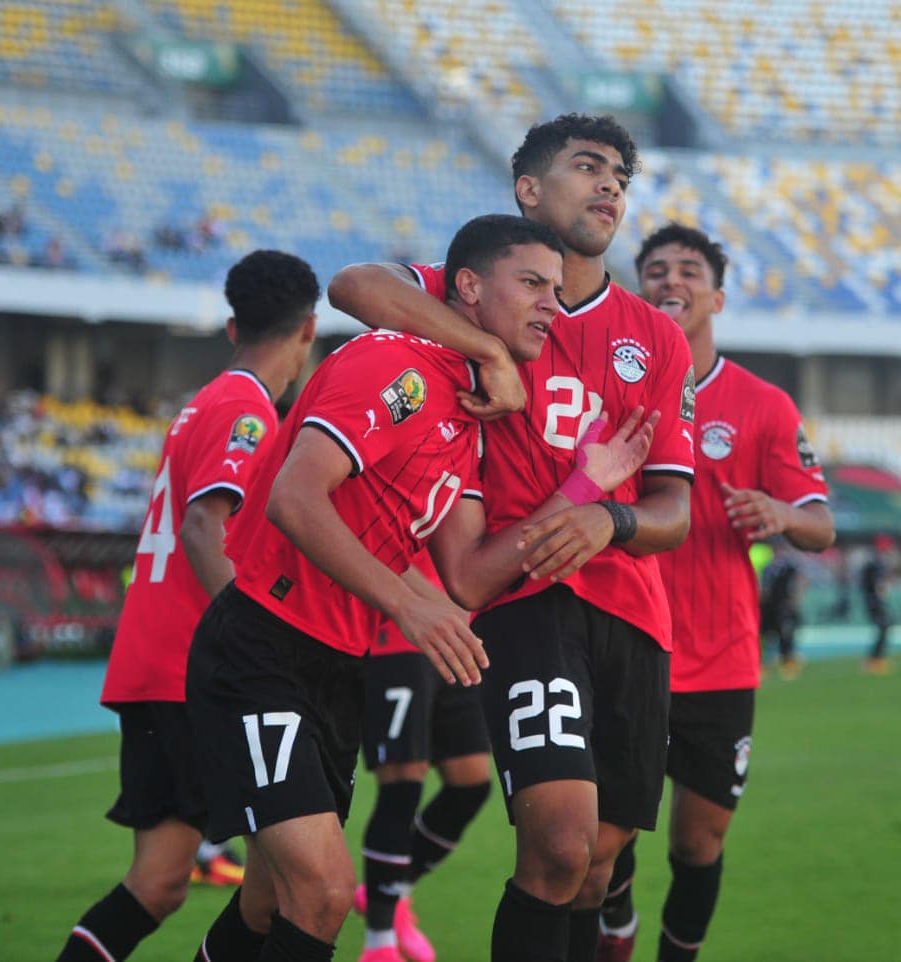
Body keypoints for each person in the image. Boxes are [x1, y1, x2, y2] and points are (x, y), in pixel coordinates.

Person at [188, 213, 659, 962]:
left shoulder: (469, 420)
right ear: (467, 288)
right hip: (263, 651)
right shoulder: (394, 364)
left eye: (555, 289)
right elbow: (293, 498)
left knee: (269, 899)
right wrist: (409, 605)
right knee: (321, 895)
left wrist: (581, 488)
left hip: (338, 669)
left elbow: (469, 575)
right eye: (531, 284)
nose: (550, 303)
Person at [328, 114, 698, 962]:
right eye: (587, 167)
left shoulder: (656, 336)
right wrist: (484, 352)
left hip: (635, 616)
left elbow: (674, 511)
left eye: (620, 175)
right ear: (529, 189)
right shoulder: (486, 293)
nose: (610, 185)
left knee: (599, 865)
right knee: (561, 844)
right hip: (526, 599)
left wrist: (613, 517)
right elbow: (351, 284)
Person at [54, 249, 320, 962]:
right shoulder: (247, 411)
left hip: (155, 666)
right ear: (309, 330)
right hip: (194, 672)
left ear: (232, 326)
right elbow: (206, 526)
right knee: (290, 888)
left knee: (161, 883)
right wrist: (252, 634)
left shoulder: (205, 400)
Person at [594, 223, 834, 962]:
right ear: (639, 289)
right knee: (605, 838)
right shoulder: (614, 390)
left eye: (689, 270)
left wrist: (782, 512)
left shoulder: (764, 405)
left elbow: (819, 526)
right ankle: (616, 923)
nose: (672, 280)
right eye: (657, 268)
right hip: (627, 644)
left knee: (699, 842)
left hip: (721, 661)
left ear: (717, 296)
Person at [353, 549, 492, 962]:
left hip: (456, 632)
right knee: (402, 786)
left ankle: (392, 892)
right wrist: (438, 602)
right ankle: (378, 945)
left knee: (471, 784)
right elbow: (382, 539)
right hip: (396, 635)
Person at [759, 544, 804, 679]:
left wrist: (795, 598)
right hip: (768, 607)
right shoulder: (768, 568)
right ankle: (763, 663)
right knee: (765, 635)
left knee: (785, 634)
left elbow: (800, 582)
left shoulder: (790, 567)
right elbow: (764, 587)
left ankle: (787, 663)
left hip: (784, 606)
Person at [862, 534, 895, 673]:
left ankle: (876, 658)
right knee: (884, 626)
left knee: (884, 627)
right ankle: (875, 659)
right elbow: (879, 586)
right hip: (874, 600)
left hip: (872, 600)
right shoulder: (876, 564)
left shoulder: (873, 563)